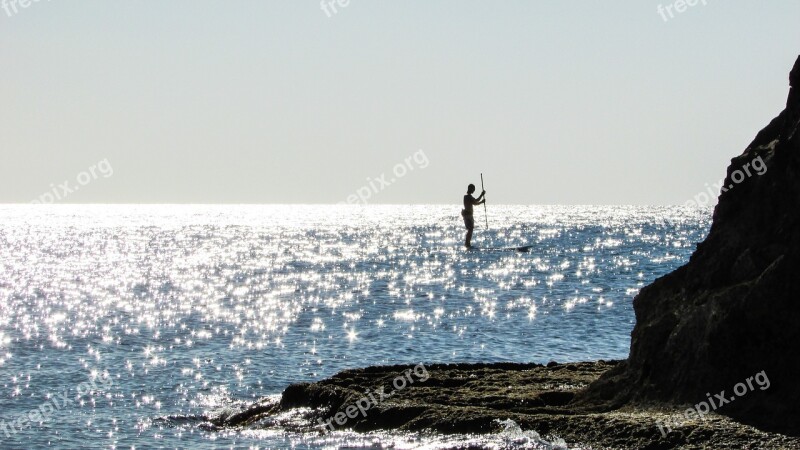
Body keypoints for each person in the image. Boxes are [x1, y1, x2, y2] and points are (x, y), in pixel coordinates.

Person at [462, 184, 485, 248]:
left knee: (470, 229)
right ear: (470, 189)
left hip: (469, 215)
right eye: (473, 189)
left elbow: (475, 201)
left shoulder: (468, 197)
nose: (474, 190)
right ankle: (467, 243)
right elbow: (475, 202)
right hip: (468, 215)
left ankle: (467, 243)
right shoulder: (468, 197)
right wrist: (481, 197)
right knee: (470, 229)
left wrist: (481, 199)